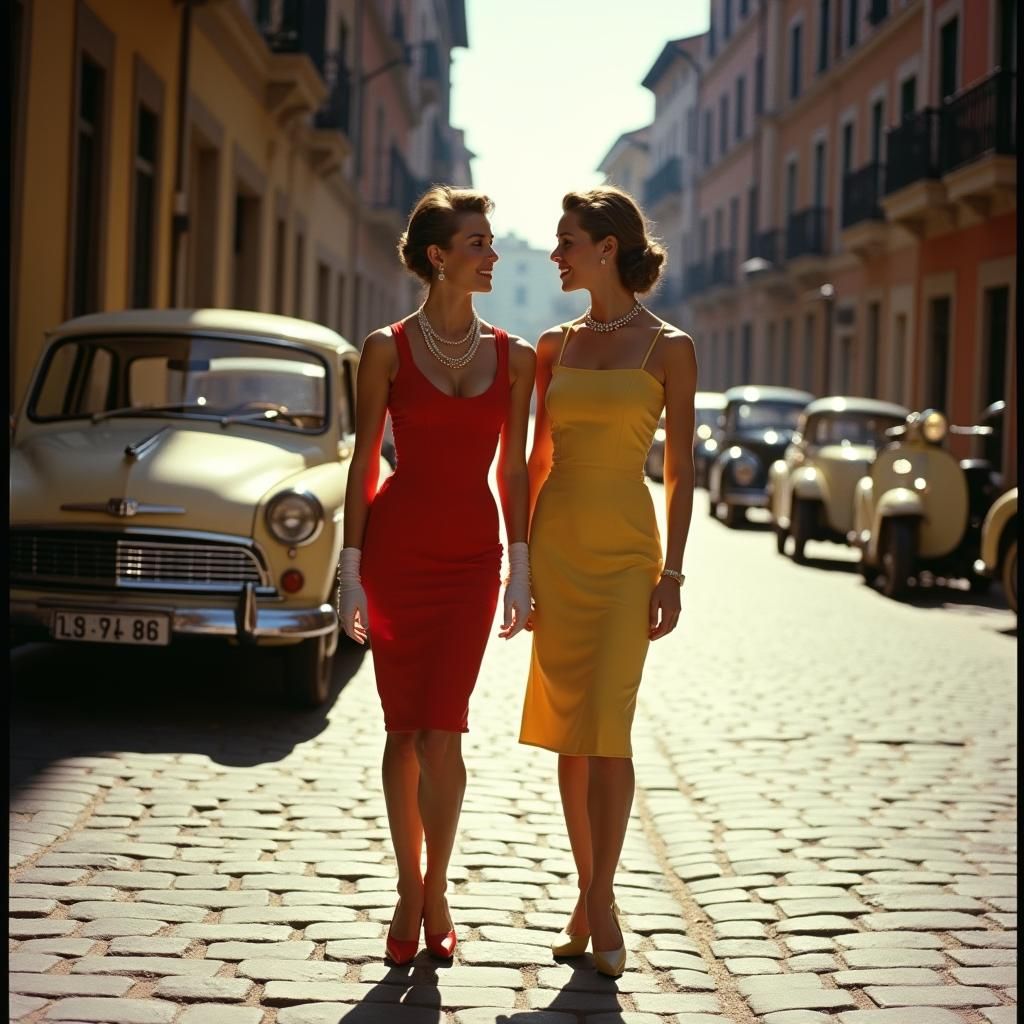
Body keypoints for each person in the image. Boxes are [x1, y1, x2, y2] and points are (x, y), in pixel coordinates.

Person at [338, 185, 536, 965]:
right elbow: (363, 463)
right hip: (395, 555)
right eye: (479, 244)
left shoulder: (514, 355)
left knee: (444, 727)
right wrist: (351, 572)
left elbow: (514, 470)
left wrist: (519, 567)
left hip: (469, 560)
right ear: (439, 258)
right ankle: (405, 887)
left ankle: (439, 888)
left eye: (489, 242)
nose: (491, 254)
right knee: (402, 728)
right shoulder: (384, 347)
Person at [520, 186, 697, 977]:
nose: (555, 254)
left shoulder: (670, 347)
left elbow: (682, 471)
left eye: (566, 241)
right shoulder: (552, 345)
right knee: (567, 730)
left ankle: (601, 897)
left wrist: (674, 573)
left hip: (629, 554)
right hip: (557, 546)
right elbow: (536, 460)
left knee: (609, 727)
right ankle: (592, 898)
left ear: (607, 248)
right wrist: (518, 562)